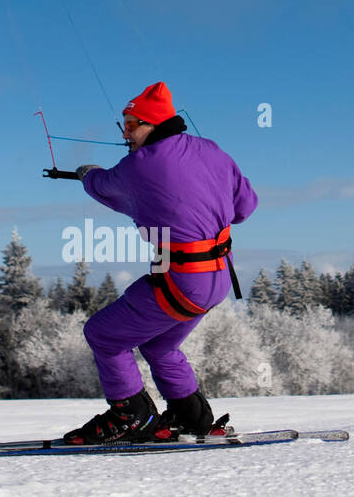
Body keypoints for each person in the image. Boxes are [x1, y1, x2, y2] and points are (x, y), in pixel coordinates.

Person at [64, 81, 258, 444]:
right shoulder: (212, 150)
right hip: (218, 278)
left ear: (154, 123)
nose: (126, 132)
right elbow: (245, 207)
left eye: (132, 124)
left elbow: (105, 186)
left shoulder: (140, 166)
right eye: (123, 123)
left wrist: (86, 173)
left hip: (183, 281)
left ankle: (131, 416)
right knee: (159, 346)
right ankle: (194, 419)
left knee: (103, 335)